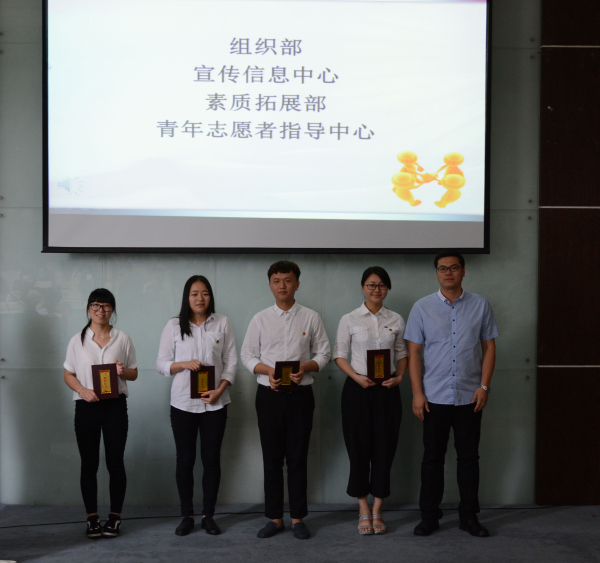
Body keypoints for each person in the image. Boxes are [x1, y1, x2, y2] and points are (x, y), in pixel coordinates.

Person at [404, 250, 498, 538]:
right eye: (442, 268)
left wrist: (484, 386)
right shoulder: (422, 307)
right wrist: (417, 393)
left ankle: (469, 517)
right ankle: (429, 517)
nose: (448, 272)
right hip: (434, 397)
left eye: (454, 267)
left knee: (469, 459)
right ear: (436, 273)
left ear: (463, 271)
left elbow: (489, 347)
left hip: (470, 396)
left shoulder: (480, 305)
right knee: (432, 459)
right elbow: (414, 353)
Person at [240, 261, 330, 540]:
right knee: (272, 459)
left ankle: (298, 518)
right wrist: (268, 372)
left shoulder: (311, 317)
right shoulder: (260, 319)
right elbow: (247, 355)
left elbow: (324, 354)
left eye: (288, 280)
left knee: (298, 459)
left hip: (301, 396)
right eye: (277, 280)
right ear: (270, 285)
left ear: (297, 284)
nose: (282, 285)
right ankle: (275, 518)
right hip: (269, 396)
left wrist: (305, 367)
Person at [156, 275, 237, 537]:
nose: (200, 298)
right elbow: (161, 364)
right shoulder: (174, 325)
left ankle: (208, 516)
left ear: (210, 296)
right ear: (186, 297)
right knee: (185, 460)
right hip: (183, 403)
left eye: (204, 293)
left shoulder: (222, 322)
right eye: (194, 293)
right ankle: (187, 516)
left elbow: (231, 363)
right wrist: (183, 364)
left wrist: (220, 390)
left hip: (216, 403)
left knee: (211, 460)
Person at [333, 266, 408, 535]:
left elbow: (402, 353)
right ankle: (363, 507)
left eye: (382, 285)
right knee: (358, 449)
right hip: (358, 390)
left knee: (384, 449)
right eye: (371, 285)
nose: (377, 289)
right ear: (363, 287)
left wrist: (400, 377)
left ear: (387, 288)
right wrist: (356, 377)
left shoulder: (396, 319)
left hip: (387, 390)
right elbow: (339, 354)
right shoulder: (349, 319)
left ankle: (378, 509)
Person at [63, 288, 138, 538]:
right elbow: (68, 374)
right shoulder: (77, 340)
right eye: (95, 305)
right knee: (89, 463)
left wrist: (122, 371)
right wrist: (82, 390)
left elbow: (134, 373)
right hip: (87, 406)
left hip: (115, 406)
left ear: (112, 309)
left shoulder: (122, 338)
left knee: (115, 462)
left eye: (105, 306)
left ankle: (115, 517)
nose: (100, 310)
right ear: (88, 309)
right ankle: (92, 518)